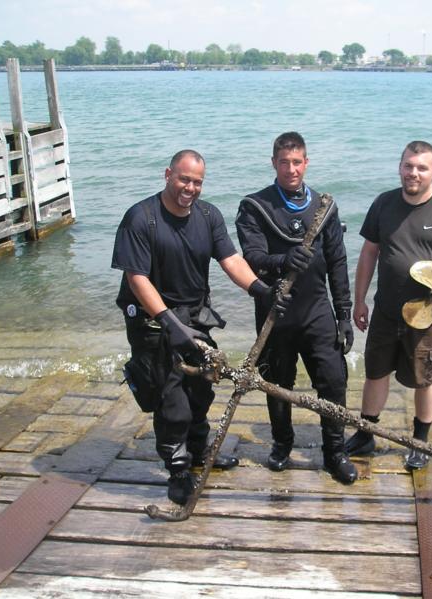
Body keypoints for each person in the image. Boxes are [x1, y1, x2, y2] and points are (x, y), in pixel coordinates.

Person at [112, 149, 285, 505]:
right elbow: (137, 278)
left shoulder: (208, 216)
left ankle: (199, 449)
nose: (189, 188)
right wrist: (167, 321)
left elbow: (231, 259)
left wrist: (260, 290)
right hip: (153, 319)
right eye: (183, 179)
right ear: (167, 174)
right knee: (171, 398)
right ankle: (177, 469)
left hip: (195, 316)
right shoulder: (141, 218)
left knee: (202, 389)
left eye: (197, 182)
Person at [346, 141, 432, 470]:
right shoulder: (384, 203)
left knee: (425, 377)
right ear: (400, 167)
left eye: (421, 168)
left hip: (429, 313)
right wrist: (359, 300)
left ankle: (420, 442)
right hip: (386, 309)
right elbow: (369, 253)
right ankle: (366, 433)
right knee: (375, 372)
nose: (413, 173)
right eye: (408, 166)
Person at [235, 131, 357, 484]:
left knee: (333, 382)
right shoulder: (254, 207)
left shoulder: (325, 206)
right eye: (284, 162)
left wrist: (344, 315)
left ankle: (335, 452)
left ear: (307, 163)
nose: (291, 169)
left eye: (297, 162)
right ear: (274, 163)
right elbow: (252, 257)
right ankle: (282, 444)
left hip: (318, 310)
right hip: (277, 311)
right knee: (278, 382)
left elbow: (337, 262)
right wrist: (281, 259)